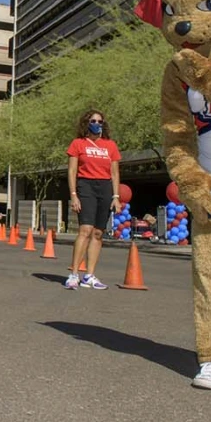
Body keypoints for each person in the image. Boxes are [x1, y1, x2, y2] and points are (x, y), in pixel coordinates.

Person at [64, 109, 122, 290]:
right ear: (86, 123)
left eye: (100, 121)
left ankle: (89, 275)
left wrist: (116, 196)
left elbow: (114, 172)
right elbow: (72, 171)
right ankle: (74, 274)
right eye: (93, 121)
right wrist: (74, 195)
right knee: (85, 229)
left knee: (98, 233)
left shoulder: (110, 145)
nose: (97, 124)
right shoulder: (78, 144)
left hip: (105, 188)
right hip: (86, 186)